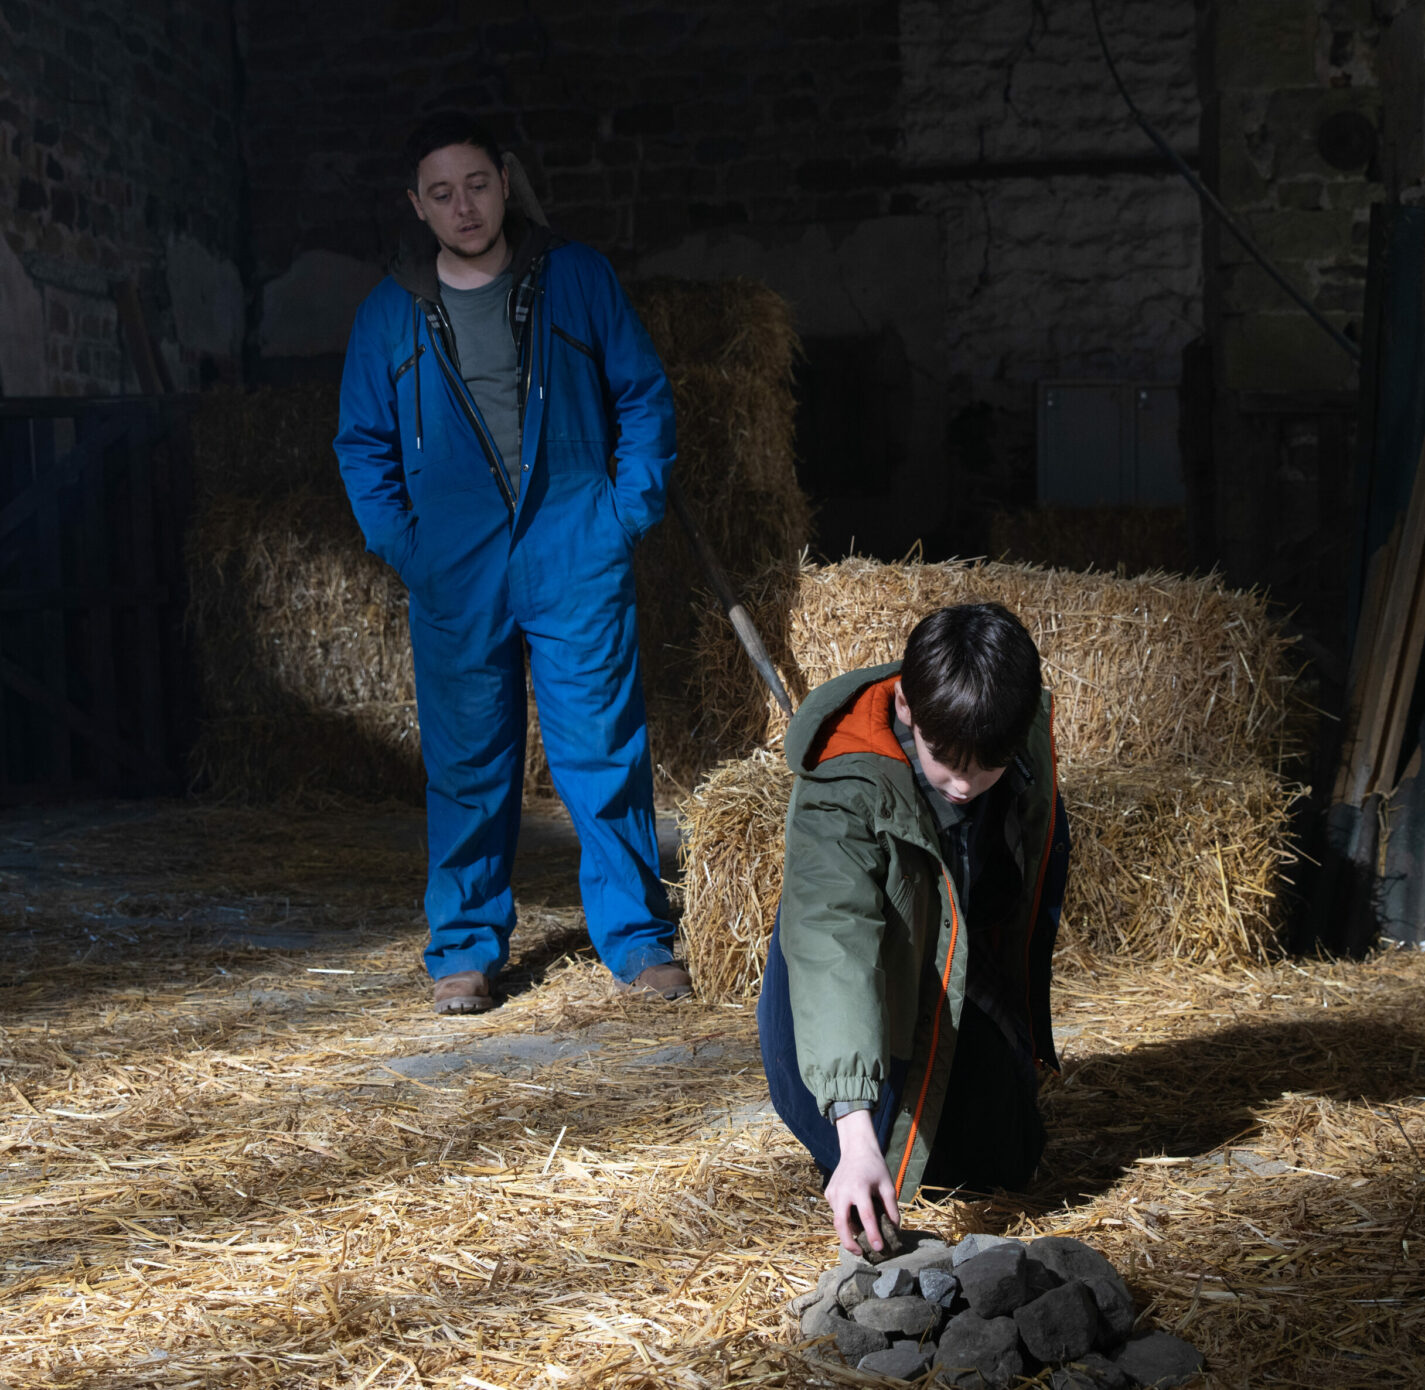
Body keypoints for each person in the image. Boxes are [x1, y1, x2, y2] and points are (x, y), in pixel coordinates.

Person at [335, 112, 690, 1014]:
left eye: (478, 185)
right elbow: (363, 447)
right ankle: (464, 949)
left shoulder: (573, 278)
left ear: (505, 181)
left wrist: (622, 513)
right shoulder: (389, 312)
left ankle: (638, 941)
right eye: (443, 194)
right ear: (416, 205)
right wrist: (409, 549)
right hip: (456, 567)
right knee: (467, 764)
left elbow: (643, 394)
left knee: (603, 753)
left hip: (573, 546)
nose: (465, 207)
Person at [757, 602, 1069, 1253]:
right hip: (860, 976)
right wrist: (855, 1132)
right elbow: (835, 944)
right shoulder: (841, 784)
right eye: (945, 759)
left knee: (1004, 1167)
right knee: (891, 1164)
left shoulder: (1017, 727)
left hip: (952, 951)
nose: (962, 783)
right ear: (905, 710)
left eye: (986, 766)